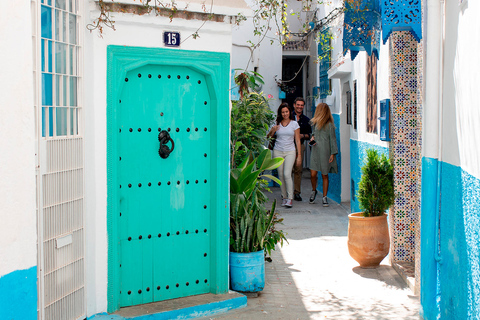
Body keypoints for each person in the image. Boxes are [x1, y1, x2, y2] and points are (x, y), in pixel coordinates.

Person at [267, 103, 302, 208]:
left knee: (287, 174)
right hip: (278, 151)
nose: (285, 114)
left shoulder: (294, 124)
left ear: (289, 112)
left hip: (290, 151)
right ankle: (284, 197)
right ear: (280, 113)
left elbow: (297, 140)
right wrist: (272, 130)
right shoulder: (277, 123)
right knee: (281, 175)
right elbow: (268, 137)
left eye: (286, 111)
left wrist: (299, 155)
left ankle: (290, 198)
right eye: (283, 112)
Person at [308, 103, 338, 207]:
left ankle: (324, 197)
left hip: (325, 152)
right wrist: (312, 139)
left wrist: (333, 154)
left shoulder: (329, 125)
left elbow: (333, 139)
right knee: (313, 174)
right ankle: (313, 190)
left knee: (324, 174)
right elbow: (313, 134)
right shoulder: (315, 123)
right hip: (315, 151)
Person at [292, 97, 312, 202]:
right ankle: (287, 192)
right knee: (287, 170)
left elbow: (310, 135)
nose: (300, 107)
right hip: (288, 146)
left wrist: (301, 136)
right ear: (294, 105)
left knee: (298, 170)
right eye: (298, 105)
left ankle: (297, 192)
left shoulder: (306, 120)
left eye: (301, 105)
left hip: (300, 147)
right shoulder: (288, 116)